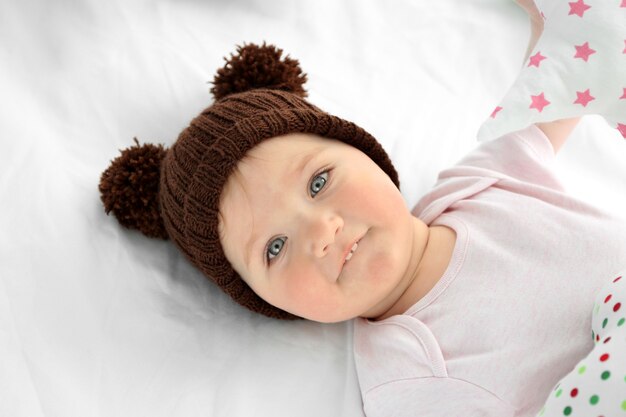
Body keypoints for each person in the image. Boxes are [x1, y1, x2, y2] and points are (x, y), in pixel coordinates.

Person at [98, 2, 626, 416]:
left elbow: (559, 73)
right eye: (275, 248)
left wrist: (555, 12)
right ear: (267, 303)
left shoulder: (478, 185)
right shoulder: (406, 374)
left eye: (319, 181)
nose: (321, 231)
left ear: (366, 153)